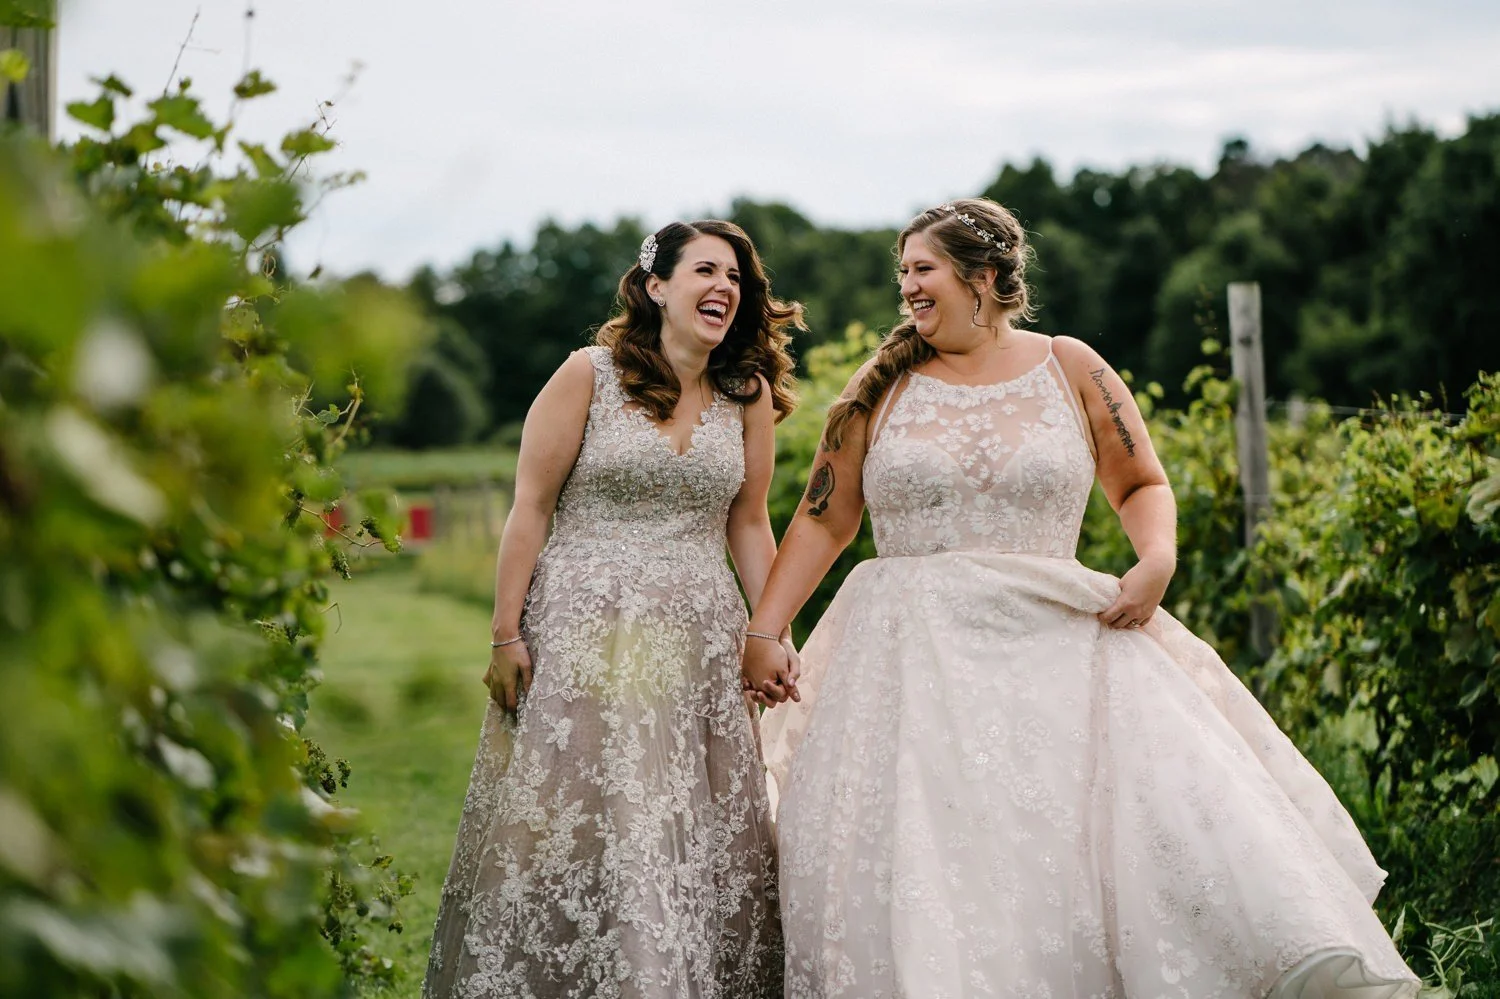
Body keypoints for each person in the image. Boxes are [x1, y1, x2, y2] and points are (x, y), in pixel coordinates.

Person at [741, 199, 1420, 997]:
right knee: (933, 845)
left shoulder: (1072, 366)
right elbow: (824, 518)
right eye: (904, 273)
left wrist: (1157, 557)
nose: (908, 288)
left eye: (922, 269)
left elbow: (1140, 480)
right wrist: (766, 626)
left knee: (1093, 837)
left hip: (1057, 642)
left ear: (982, 277)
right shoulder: (879, 386)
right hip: (908, 657)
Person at [424, 220, 803, 999]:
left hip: (701, 638)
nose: (724, 287)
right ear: (656, 285)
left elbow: (749, 520)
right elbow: (529, 508)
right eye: (705, 269)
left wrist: (772, 631)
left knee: (689, 825)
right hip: (584, 630)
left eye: (736, 277)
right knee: (590, 816)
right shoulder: (587, 375)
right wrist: (505, 632)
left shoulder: (748, 395)